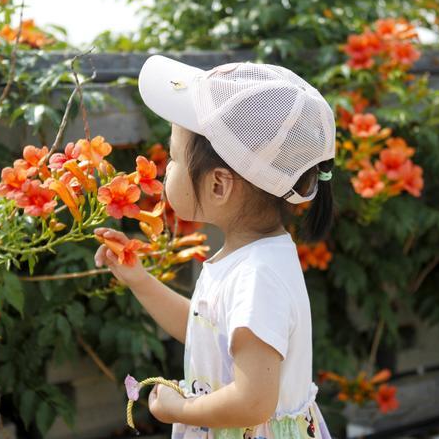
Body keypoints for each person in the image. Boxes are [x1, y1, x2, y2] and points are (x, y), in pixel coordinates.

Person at [94, 55, 335, 438]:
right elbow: (206, 330)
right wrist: (139, 280)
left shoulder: (258, 277)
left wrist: (184, 410)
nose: (166, 168)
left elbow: (255, 401)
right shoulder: (249, 259)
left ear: (218, 185)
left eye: (173, 157)